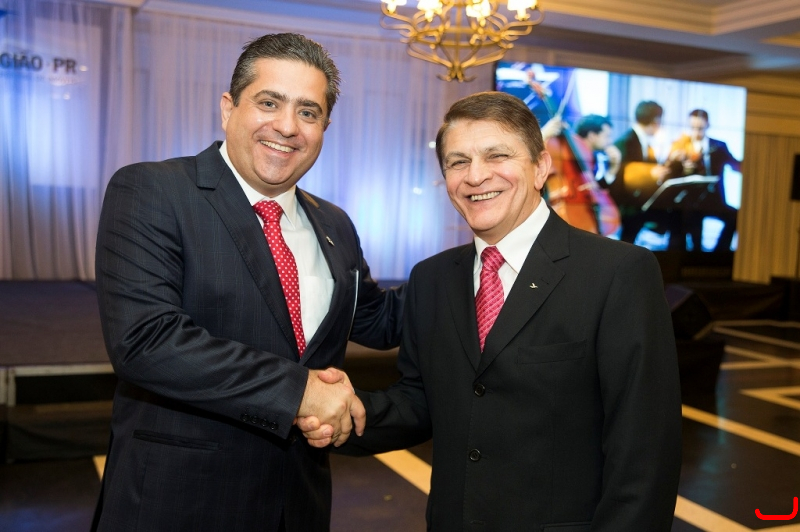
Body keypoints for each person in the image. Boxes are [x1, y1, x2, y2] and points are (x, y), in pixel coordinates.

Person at [301, 91, 682, 530]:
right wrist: (337, 414)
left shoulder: (618, 273)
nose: (475, 176)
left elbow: (645, 452)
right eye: (458, 162)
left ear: (540, 167)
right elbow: (421, 401)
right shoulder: (432, 278)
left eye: (497, 155)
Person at [92, 33, 403, 532]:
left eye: (308, 111)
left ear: (324, 128)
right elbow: (146, 341)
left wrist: (482, 262)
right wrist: (300, 392)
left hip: (298, 504)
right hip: (180, 504)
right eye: (269, 103)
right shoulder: (153, 190)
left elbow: (377, 319)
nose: (288, 126)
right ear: (228, 108)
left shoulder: (335, 222)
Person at [610, 100, 682, 248]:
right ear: (656, 120)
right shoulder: (626, 142)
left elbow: (652, 169)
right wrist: (650, 174)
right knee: (677, 218)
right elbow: (622, 177)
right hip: (629, 205)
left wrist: (672, 161)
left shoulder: (643, 141)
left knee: (678, 216)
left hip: (641, 202)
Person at [668, 109, 742, 251]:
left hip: (714, 200)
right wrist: (675, 161)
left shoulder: (719, 145)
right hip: (689, 202)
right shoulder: (679, 145)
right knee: (688, 222)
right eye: (693, 128)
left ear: (708, 125)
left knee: (735, 216)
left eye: (700, 128)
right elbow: (668, 173)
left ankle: (718, 253)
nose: (696, 132)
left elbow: (735, 165)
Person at [541, 114, 621, 237]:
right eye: (607, 136)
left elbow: (593, 185)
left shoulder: (594, 156)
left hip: (581, 203)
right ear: (592, 136)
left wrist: (613, 169)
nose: (610, 141)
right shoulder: (562, 147)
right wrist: (541, 137)